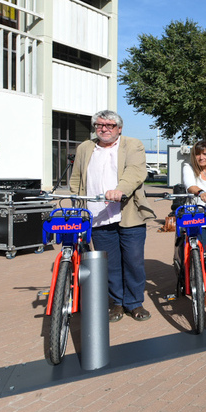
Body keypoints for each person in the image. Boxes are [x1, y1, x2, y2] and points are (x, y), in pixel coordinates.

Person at [69, 110, 156, 323]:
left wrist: (120, 190)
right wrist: (77, 204)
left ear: (119, 128)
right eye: (100, 125)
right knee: (110, 264)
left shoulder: (132, 145)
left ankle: (134, 303)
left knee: (133, 261)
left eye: (109, 125)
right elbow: (76, 179)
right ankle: (117, 302)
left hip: (128, 214)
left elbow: (136, 172)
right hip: (97, 215)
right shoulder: (84, 148)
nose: (104, 129)